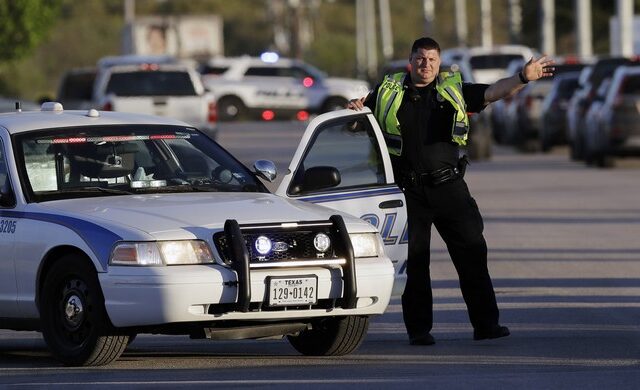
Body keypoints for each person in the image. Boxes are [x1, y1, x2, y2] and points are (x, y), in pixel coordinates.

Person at [348, 37, 553, 345]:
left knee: (472, 254)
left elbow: (493, 91)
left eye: (431, 59)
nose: (425, 64)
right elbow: (359, 118)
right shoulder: (388, 93)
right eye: (420, 58)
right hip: (408, 193)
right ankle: (419, 331)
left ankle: (486, 325)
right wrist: (353, 112)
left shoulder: (452, 90)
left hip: (449, 188)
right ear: (411, 60)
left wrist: (523, 77)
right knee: (415, 264)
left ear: (439, 62)